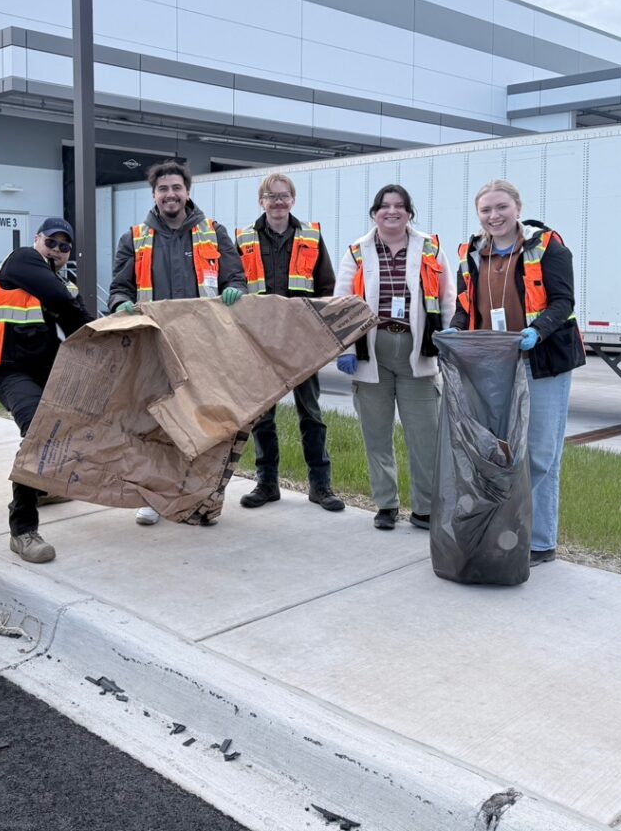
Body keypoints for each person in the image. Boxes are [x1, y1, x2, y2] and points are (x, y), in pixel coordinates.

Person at [443, 179, 584, 565]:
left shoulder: (547, 247)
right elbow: (465, 304)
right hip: (494, 365)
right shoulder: (472, 253)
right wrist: (456, 327)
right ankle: (504, 530)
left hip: (543, 361)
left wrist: (536, 331)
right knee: (501, 453)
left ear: (518, 208)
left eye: (502, 207)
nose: (494, 216)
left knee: (540, 454)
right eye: (486, 210)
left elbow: (563, 301)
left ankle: (539, 541)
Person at [108, 159, 247, 525]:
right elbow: (119, 287)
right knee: (156, 425)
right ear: (154, 194)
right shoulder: (134, 238)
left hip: (205, 347)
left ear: (187, 192)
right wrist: (119, 304)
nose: (170, 194)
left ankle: (202, 498)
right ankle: (153, 498)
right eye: (163, 189)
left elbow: (236, 276)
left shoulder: (213, 232)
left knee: (204, 424)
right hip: (155, 347)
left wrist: (235, 289)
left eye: (176, 188)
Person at [333, 184, 455, 531]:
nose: (392, 211)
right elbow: (341, 304)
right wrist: (345, 349)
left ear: (409, 213)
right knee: (377, 434)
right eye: (384, 206)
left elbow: (447, 298)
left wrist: (449, 344)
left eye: (399, 206)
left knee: (426, 436)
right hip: (372, 349)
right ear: (374, 213)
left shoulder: (430, 248)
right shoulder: (357, 251)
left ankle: (425, 509)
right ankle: (386, 504)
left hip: (418, 350)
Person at [0, 218, 94, 563]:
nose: (56, 250)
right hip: (11, 371)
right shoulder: (22, 259)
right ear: (37, 240)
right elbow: (65, 303)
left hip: (48, 374)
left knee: (65, 430)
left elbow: (83, 324)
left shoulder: (63, 283)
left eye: (64, 246)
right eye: (51, 242)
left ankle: (42, 488)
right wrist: (73, 306)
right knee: (38, 433)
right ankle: (23, 529)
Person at [233, 173, 343, 512]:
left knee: (311, 414)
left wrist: (318, 333)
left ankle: (320, 486)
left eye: (284, 196)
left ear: (293, 200)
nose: (278, 201)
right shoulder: (244, 239)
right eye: (271, 196)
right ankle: (267, 484)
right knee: (263, 417)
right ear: (261, 201)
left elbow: (327, 288)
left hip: (301, 342)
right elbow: (234, 284)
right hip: (260, 342)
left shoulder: (311, 237)